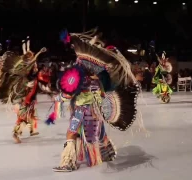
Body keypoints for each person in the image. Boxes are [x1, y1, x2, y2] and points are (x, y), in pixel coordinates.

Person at [50, 29, 140, 172]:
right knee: (98, 132)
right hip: (95, 110)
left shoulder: (80, 77)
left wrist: (59, 99)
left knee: (72, 133)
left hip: (81, 110)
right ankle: (106, 153)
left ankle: (68, 162)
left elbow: (68, 92)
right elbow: (105, 93)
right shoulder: (99, 79)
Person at [0, 37, 47, 143]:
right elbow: (32, 65)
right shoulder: (24, 71)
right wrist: (39, 53)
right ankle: (17, 132)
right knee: (24, 114)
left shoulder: (21, 69)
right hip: (24, 94)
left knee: (29, 111)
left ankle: (32, 129)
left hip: (23, 93)